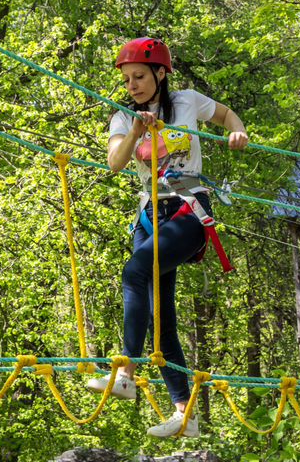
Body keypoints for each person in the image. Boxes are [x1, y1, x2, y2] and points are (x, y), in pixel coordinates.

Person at [86, 37, 249, 438]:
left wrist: (238, 131)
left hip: (187, 210)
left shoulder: (189, 101)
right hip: (148, 215)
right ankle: (185, 413)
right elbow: (114, 163)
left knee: (134, 273)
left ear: (160, 74)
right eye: (127, 80)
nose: (132, 86)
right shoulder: (124, 118)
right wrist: (136, 129)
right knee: (163, 321)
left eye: (139, 77)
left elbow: (227, 116)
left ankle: (126, 371)